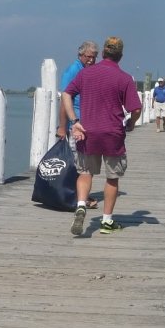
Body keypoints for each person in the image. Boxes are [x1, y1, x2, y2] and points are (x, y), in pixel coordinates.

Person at [61, 36, 142, 236]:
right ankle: (106, 222)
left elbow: (66, 94)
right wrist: (131, 123)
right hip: (112, 134)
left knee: (85, 173)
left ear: (103, 53)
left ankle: (81, 205)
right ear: (120, 56)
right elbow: (136, 109)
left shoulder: (86, 73)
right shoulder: (125, 78)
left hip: (87, 132)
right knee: (112, 178)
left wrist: (74, 121)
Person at [56, 40, 99, 208]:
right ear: (80, 55)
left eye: (95, 57)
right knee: (79, 162)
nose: (92, 60)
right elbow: (64, 100)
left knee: (84, 161)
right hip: (75, 123)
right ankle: (80, 197)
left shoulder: (87, 70)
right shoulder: (73, 70)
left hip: (86, 123)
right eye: (89, 57)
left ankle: (80, 195)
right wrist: (61, 127)